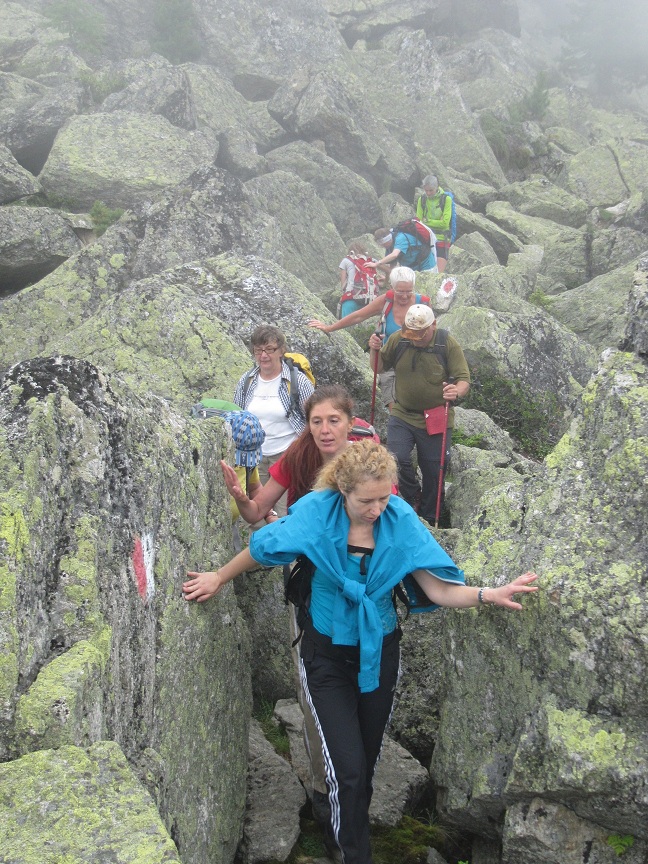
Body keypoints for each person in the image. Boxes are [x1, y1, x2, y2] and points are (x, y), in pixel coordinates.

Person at [183, 440, 539, 864]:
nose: (376, 509)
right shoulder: (318, 512)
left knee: (363, 768)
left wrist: (489, 594)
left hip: (379, 655)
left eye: (384, 498)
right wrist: (218, 578)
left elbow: (439, 588)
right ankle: (353, 853)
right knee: (347, 772)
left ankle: (339, 833)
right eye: (366, 501)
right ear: (342, 491)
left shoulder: (400, 519)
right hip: (325, 657)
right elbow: (263, 548)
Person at [368, 304, 470, 524]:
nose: (415, 339)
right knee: (395, 458)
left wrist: (456, 391)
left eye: (420, 334)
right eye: (412, 334)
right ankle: (413, 495)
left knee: (434, 469)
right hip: (402, 412)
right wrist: (374, 349)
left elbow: (463, 379)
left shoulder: (446, 344)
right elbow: (378, 367)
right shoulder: (399, 339)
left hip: (436, 414)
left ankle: (431, 515)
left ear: (433, 325)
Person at [309, 267, 432, 411]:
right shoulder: (386, 301)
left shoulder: (423, 303)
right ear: (392, 287)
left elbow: (432, 333)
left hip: (418, 365)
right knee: (396, 413)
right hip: (391, 365)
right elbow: (359, 316)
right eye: (400, 291)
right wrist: (329, 327)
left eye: (408, 291)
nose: (404, 296)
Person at [234, 325, 314, 517]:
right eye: (258, 350)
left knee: (284, 513)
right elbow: (237, 417)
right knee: (256, 514)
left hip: (287, 457)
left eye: (270, 349)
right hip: (254, 459)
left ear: (281, 351)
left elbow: (313, 419)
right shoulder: (246, 381)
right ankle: (258, 547)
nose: (264, 355)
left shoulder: (298, 382)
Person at [416, 174, 453, 273]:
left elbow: (445, 223)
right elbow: (418, 222)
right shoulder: (422, 200)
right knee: (426, 272)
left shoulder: (446, 199)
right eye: (426, 190)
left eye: (431, 190)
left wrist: (427, 221)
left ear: (437, 188)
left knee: (438, 274)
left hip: (442, 238)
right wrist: (437, 222)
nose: (428, 193)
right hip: (426, 239)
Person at [368, 223, 437, 272]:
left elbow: (394, 255)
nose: (383, 246)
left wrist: (377, 263)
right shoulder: (389, 247)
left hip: (426, 263)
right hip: (412, 267)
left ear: (389, 239)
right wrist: (385, 283)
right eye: (382, 245)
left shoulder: (400, 238)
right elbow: (391, 269)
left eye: (384, 244)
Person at [337, 242, 378, 318]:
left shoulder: (346, 260)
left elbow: (343, 285)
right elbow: (388, 270)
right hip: (370, 299)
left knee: (345, 325)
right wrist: (385, 282)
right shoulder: (372, 261)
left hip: (351, 298)